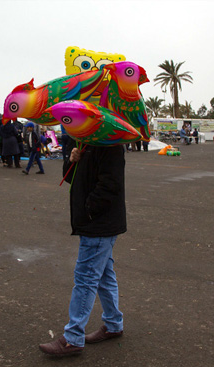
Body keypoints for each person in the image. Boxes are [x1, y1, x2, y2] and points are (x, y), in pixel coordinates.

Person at [39, 141, 126, 357]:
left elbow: (111, 185)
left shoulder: (110, 144)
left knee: (86, 277)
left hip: (98, 224)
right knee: (104, 275)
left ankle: (72, 338)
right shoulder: (85, 143)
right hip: (93, 222)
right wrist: (72, 160)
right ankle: (114, 324)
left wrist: (89, 210)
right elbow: (70, 178)